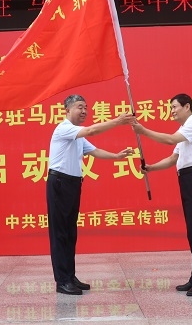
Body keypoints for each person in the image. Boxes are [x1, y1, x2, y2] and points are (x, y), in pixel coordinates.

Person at [47, 94, 135, 295]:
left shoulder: (78, 136)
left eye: (86, 107)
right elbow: (92, 130)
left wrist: (116, 156)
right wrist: (118, 121)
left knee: (70, 233)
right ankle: (62, 281)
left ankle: (70, 276)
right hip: (59, 183)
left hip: (72, 184)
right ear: (67, 110)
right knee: (60, 234)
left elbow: (94, 151)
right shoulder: (64, 128)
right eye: (80, 107)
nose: (84, 111)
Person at [132, 93, 192, 297]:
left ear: (187, 107)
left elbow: (169, 140)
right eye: (171, 108)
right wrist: (151, 168)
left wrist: (143, 130)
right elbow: (172, 159)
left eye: (175, 107)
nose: (172, 111)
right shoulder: (184, 131)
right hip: (189, 179)